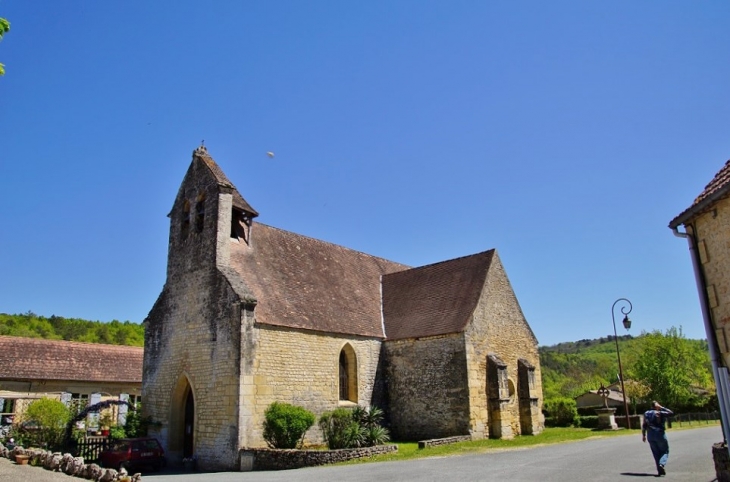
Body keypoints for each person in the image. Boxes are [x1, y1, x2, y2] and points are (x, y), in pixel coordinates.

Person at [642, 401, 673, 476]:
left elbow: (644, 425)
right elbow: (671, 413)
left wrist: (644, 435)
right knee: (665, 450)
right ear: (656, 406)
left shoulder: (646, 413)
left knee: (656, 453)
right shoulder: (660, 413)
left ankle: (660, 471)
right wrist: (662, 407)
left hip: (650, 434)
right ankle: (661, 464)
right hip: (659, 433)